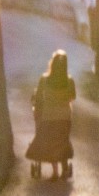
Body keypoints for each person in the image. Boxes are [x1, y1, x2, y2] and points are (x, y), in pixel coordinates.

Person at [27, 50, 76, 180]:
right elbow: (72, 97)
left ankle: (55, 172)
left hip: (49, 117)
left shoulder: (44, 80)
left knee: (51, 143)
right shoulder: (70, 81)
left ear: (52, 64)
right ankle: (64, 169)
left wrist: (38, 109)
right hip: (65, 118)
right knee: (62, 141)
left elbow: (37, 98)